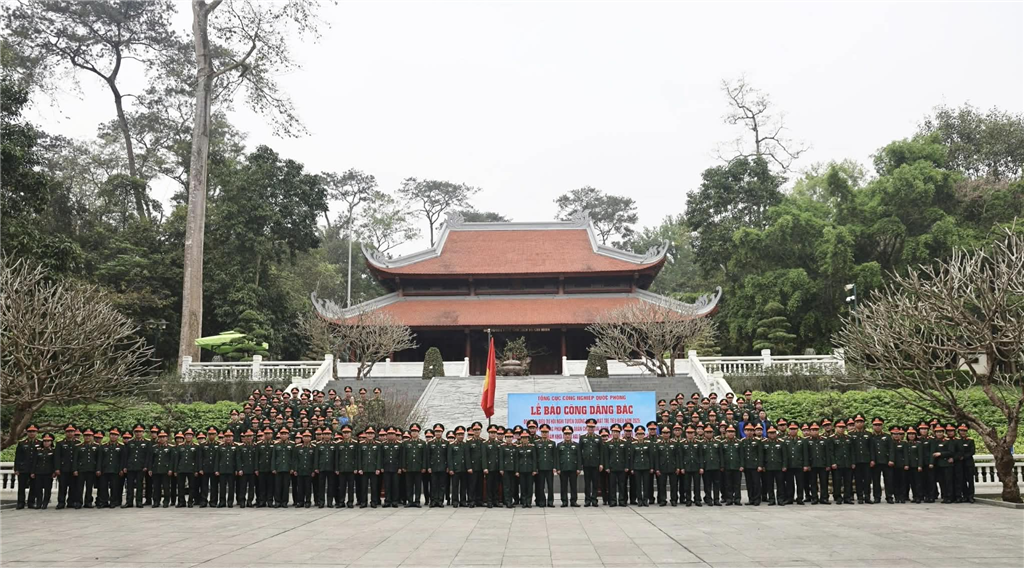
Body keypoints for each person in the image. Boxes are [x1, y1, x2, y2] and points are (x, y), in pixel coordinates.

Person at [72, 429, 101, 509]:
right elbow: (75, 459)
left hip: (91, 469)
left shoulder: (97, 446)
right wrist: (75, 469)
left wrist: (98, 469)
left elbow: (98, 459)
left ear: (92, 437)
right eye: (86, 436)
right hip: (81, 469)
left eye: (89, 436)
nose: (87, 437)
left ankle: (88, 502)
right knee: (79, 487)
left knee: (89, 487)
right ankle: (78, 502)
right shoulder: (78, 446)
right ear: (83, 437)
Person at [14, 424, 40, 509]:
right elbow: (18, 457)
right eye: (30, 431)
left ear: (37, 432)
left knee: (34, 486)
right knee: (21, 486)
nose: (32, 433)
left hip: (35, 469)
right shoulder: (22, 443)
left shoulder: (40, 443)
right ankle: (20, 503)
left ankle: (31, 502)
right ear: (26, 432)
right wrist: (16, 468)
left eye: (33, 431)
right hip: (23, 468)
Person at [602, 424, 628, 507]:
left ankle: (621, 500)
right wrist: (607, 467)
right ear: (611, 433)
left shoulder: (624, 443)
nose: (615, 433)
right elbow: (606, 457)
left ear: (619, 433)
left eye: (617, 432)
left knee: (622, 485)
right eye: (614, 432)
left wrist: (626, 466)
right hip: (612, 467)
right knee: (612, 485)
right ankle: (612, 501)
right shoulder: (608, 443)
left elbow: (626, 456)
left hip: (621, 467)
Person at [869, 417, 894, 504]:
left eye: (879, 425)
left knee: (889, 480)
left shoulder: (887, 436)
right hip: (875, 462)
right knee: (876, 480)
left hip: (886, 461)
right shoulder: (870, 436)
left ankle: (889, 496)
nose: (877, 426)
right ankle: (877, 497)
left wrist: (891, 459)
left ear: (882, 425)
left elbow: (891, 449)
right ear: (873, 426)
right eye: (875, 425)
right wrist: (872, 460)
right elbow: (870, 450)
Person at [578, 418, 602, 507]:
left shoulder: (598, 438)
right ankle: (587, 500)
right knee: (587, 483)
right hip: (586, 463)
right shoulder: (582, 437)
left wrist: (601, 463)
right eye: (589, 427)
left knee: (595, 483)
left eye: (592, 427)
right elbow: (579, 451)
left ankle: (594, 499)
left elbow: (601, 452)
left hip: (595, 464)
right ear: (586, 427)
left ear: (594, 428)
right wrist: (580, 464)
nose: (591, 428)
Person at [555, 425, 580, 507]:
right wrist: (558, 468)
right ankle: (564, 501)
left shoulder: (576, 445)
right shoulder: (559, 445)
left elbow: (579, 457)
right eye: (566, 434)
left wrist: (579, 468)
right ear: (563, 435)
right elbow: (557, 458)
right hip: (563, 468)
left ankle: (573, 501)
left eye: (569, 434)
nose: (567, 436)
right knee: (563, 486)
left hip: (573, 468)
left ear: (571, 434)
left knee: (574, 486)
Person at [55, 425, 78, 510]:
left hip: (73, 469)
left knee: (73, 487)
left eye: (72, 431)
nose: (70, 433)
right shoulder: (60, 443)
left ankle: (71, 502)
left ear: (74, 432)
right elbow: (57, 457)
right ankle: (61, 502)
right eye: (68, 431)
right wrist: (57, 468)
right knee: (62, 487)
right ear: (65, 432)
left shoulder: (78, 443)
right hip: (63, 468)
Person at [831, 420, 854, 504]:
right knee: (837, 481)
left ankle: (847, 497)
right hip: (837, 463)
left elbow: (852, 451)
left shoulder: (848, 438)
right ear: (835, 428)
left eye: (843, 427)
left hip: (847, 463)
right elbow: (831, 452)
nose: (841, 429)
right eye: (839, 427)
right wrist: (833, 462)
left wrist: (853, 462)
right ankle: (838, 497)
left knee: (848, 481)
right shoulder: (832, 438)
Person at [630, 426, 654, 507]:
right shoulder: (633, 444)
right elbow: (632, 457)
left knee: (646, 484)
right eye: (638, 434)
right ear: (636, 435)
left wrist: (651, 467)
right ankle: (639, 499)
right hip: (637, 467)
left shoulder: (648, 444)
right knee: (638, 484)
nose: (640, 436)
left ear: (644, 435)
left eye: (641, 434)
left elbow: (651, 456)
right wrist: (632, 468)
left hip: (646, 466)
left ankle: (645, 499)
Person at [336, 425, 359, 508]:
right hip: (342, 468)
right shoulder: (339, 444)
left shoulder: (355, 443)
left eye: (348, 432)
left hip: (351, 468)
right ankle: (341, 501)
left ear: (350, 433)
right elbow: (337, 457)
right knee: (342, 486)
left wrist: (356, 468)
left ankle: (350, 501)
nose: (346, 434)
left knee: (351, 486)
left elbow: (356, 457)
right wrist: (337, 468)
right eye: (344, 433)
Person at [535, 424, 557, 507]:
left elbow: (554, 456)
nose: (544, 434)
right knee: (541, 486)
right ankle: (542, 501)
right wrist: (535, 468)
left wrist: (554, 467)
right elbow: (535, 457)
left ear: (548, 433)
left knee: (550, 486)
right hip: (540, 468)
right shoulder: (536, 443)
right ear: (540, 433)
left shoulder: (552, 443)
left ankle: (550, 501)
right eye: (543, 432)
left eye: (546, 432)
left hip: (549, 468)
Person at [214, 429, 237, 508]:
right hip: (222, 469)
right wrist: (216, 470)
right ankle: (222, 501)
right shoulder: (220, 447)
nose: (228, 438)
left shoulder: (236, 446)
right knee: (222, 487)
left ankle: (230, 502)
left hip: (232, 469)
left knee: (231, 487)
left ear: (232, 437)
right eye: (226, 437)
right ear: (224, 438)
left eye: (230, 437)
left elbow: (237, 459)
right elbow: (217, 459)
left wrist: (237, 469)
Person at [680, 426, 702, 507]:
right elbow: (681, 457)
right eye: (688, 433)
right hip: (687, 467)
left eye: (691, 433)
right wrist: (682, 467)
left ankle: (697, 499)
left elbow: (700, 456)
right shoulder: (682, 443)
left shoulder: (698, 443)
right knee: (687, 485)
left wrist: (701, 467)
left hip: (696, 466)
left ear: (694, 433)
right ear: (686, 434)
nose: (690, 434)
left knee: (697, 485)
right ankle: (688, 500)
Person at [293, 429, 316, 508]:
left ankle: (308, 501)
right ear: (302, 438)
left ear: (310, 438)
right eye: (305, 437)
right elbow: (295, 459)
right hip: (300, 470)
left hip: (309, 470)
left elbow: (314, 460)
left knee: (308, 487)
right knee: (300, 487)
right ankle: (300, 502)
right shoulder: (298, 447)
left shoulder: (313, 447)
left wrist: (313, 470)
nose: (306, 438)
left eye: (308, 437)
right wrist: (295, 469)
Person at [701, 425, 723, 506]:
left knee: (717, 484)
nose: (709, 434)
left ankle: (716, 499)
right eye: (707, 432)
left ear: (713, 433)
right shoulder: (701, 443)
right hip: (706, 466)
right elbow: (701, 456)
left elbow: (721, 455)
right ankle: (708, 499)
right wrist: (701, 467)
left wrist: (721, 465)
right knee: (707, 484)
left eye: (710, 432)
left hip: (716, 466)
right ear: (704, 433)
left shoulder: (718, 442)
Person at [381, 427, 402, 508]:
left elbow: (401, 457)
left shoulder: (399, 444)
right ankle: (387, 500)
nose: (391, 435)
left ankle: (395, 501)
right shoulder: (383, 444)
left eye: (392, 434)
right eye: (389, 434)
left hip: (396, 468)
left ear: (395, 435)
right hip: (386, 468)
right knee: (387, 485)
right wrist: (381, 467)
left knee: (395, 485)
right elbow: (381, 457)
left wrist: (400, 467)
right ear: (386, 435)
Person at [447, 426, 469, 507]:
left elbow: (467, 457)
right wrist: (451, 468)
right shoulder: (451, 445)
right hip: (455, 469)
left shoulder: (465, 445)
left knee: (464, 486)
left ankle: (463, 500)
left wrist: (468, 468)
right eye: (459, 435)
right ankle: (455, 500)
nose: (461, 436)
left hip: (464, 468)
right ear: (456, 435)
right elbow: (450, 458)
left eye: (462, 434)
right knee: (455, 486)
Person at [516, 426, 537, 508]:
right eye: (523, 438)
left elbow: (534, 459)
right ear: (521, 439)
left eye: (526, 438)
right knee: (523, 487)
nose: (524, 439)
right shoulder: (518, 447)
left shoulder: (532, 447)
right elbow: (517, 460)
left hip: (530, 469)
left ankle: (529, 502)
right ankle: (524, 502)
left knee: (529, 487)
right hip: (521, 470)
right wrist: (517, 471)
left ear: (528, 439)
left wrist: (534, 469)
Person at [428, 424, 448, 508]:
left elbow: (448, 456)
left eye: (439, 432)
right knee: (433, 484)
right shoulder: (430, 443)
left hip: (443, 467)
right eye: (436, 432)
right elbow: (428, 456)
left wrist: (448, 467)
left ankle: (440, 500)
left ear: (442, 432)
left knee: (442, 485)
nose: (438, 433)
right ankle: (433, 500)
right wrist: (429, 467)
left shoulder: (446, 443)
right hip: (433, 467)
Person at [271, 428, 293, 508]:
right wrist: (273, 468)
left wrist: (292, 468)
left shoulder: (292, 445)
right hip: (278, 468)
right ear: (280, 435)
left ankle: (284, 502)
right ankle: (277, 501)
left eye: (285, 434)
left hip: (287, 468)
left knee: (286, 486)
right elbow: (273, 457)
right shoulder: (276, 445)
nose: (283, 436)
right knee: (277, 486)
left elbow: (293, 458)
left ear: (288, 435)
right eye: (282, 434)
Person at [721, 425, 742, 506]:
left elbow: (741, 455)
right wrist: (722, 466)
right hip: (727, 466)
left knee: (737, 484)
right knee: (728, 484)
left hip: (737, 466)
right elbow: (722, 456)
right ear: (726, 433)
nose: (731, 433)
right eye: (729, 432)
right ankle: (729, 499)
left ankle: (737, 499)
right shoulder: (723, 443)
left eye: (732, 432)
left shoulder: (739, 442)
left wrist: (742, 465)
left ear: (735, 433)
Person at [237, 429, 258, 507]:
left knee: (251, 487)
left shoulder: (255, 446)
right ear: (244, 437)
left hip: (252, 470)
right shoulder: (241, 447)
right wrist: (239, 469)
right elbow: (238, 459)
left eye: (250, 436)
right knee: (242, 486)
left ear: (253, 437)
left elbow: (256, 459)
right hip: (244, 470)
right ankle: (242, 500)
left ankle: (250, 501)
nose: (249, 438)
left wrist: (256, 469)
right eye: (247, 436)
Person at [482, 425, 501, 508]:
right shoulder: (485, 444)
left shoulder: (499, 443)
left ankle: (496, 500)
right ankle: (489, 501)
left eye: (494, 433)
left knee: (496, 485)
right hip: (489, 468)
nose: (493, 434)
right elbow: (484, 457)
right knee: (489, 485)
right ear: (488, 434)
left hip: (497, 467)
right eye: (491, 433)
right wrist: (485, 467)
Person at [499, 429, 518, 508]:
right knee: (506, 486)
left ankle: (511, 500)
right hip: (505, 469)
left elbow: (516, 459)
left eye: (510, 437)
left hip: (513, 469)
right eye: (507, 437)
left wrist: (516, 470)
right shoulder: (502, 446)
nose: (509, 439)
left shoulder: (515, 446)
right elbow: (501, 459)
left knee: (512, 486)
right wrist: (501, 469)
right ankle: (507, 502)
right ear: (505, 438)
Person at [957, 424, 976, 503]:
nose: (963, 432)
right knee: (962, 480)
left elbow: (972, 451)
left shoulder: (970, 440)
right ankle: (965, 495)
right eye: (961, 431)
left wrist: (964, 457)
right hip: (960, 464)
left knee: (970, 481)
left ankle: (971, 496)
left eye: (964, 431)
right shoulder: (957, 440)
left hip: (968, 463)